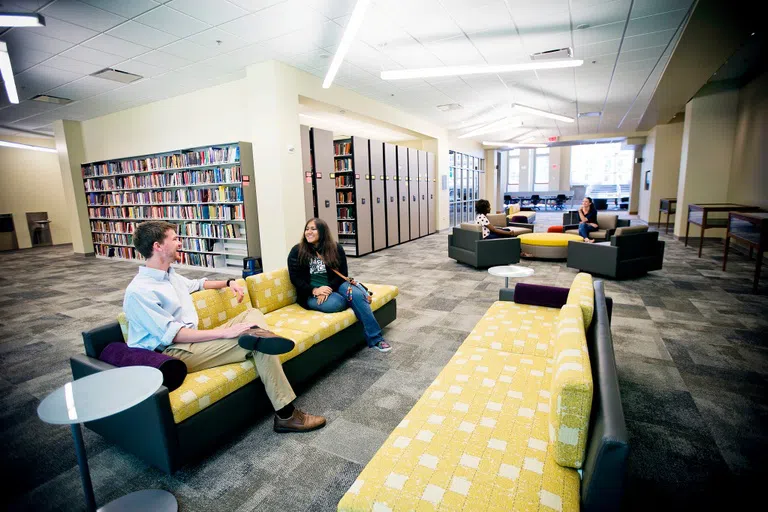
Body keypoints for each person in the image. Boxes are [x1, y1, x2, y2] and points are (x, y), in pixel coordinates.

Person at [123, 220, 326, 433]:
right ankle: (286, 415)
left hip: (191, 340)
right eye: (174, 239)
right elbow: (173, 335)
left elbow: (198, 284)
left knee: (252, 314)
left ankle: (261, 335)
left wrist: (229, 283)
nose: (180, 242)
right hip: (172, 353)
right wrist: (225, 332)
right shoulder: (140, 291)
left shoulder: (170, 275)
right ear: (158, 246)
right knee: (259, 344)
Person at [287, 218, 392, 353]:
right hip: (311, 293)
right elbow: (295, 278)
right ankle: (350, 301)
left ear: (322, 231)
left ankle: (376, 339)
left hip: (334, 286)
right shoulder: (297, 251)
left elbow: (342, 273)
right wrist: (315, 290)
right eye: (307, 229)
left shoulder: (335, 248)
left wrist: (328, 288)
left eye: (313, 229)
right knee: (337, 303)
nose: (309, 232)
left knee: (358, 295)